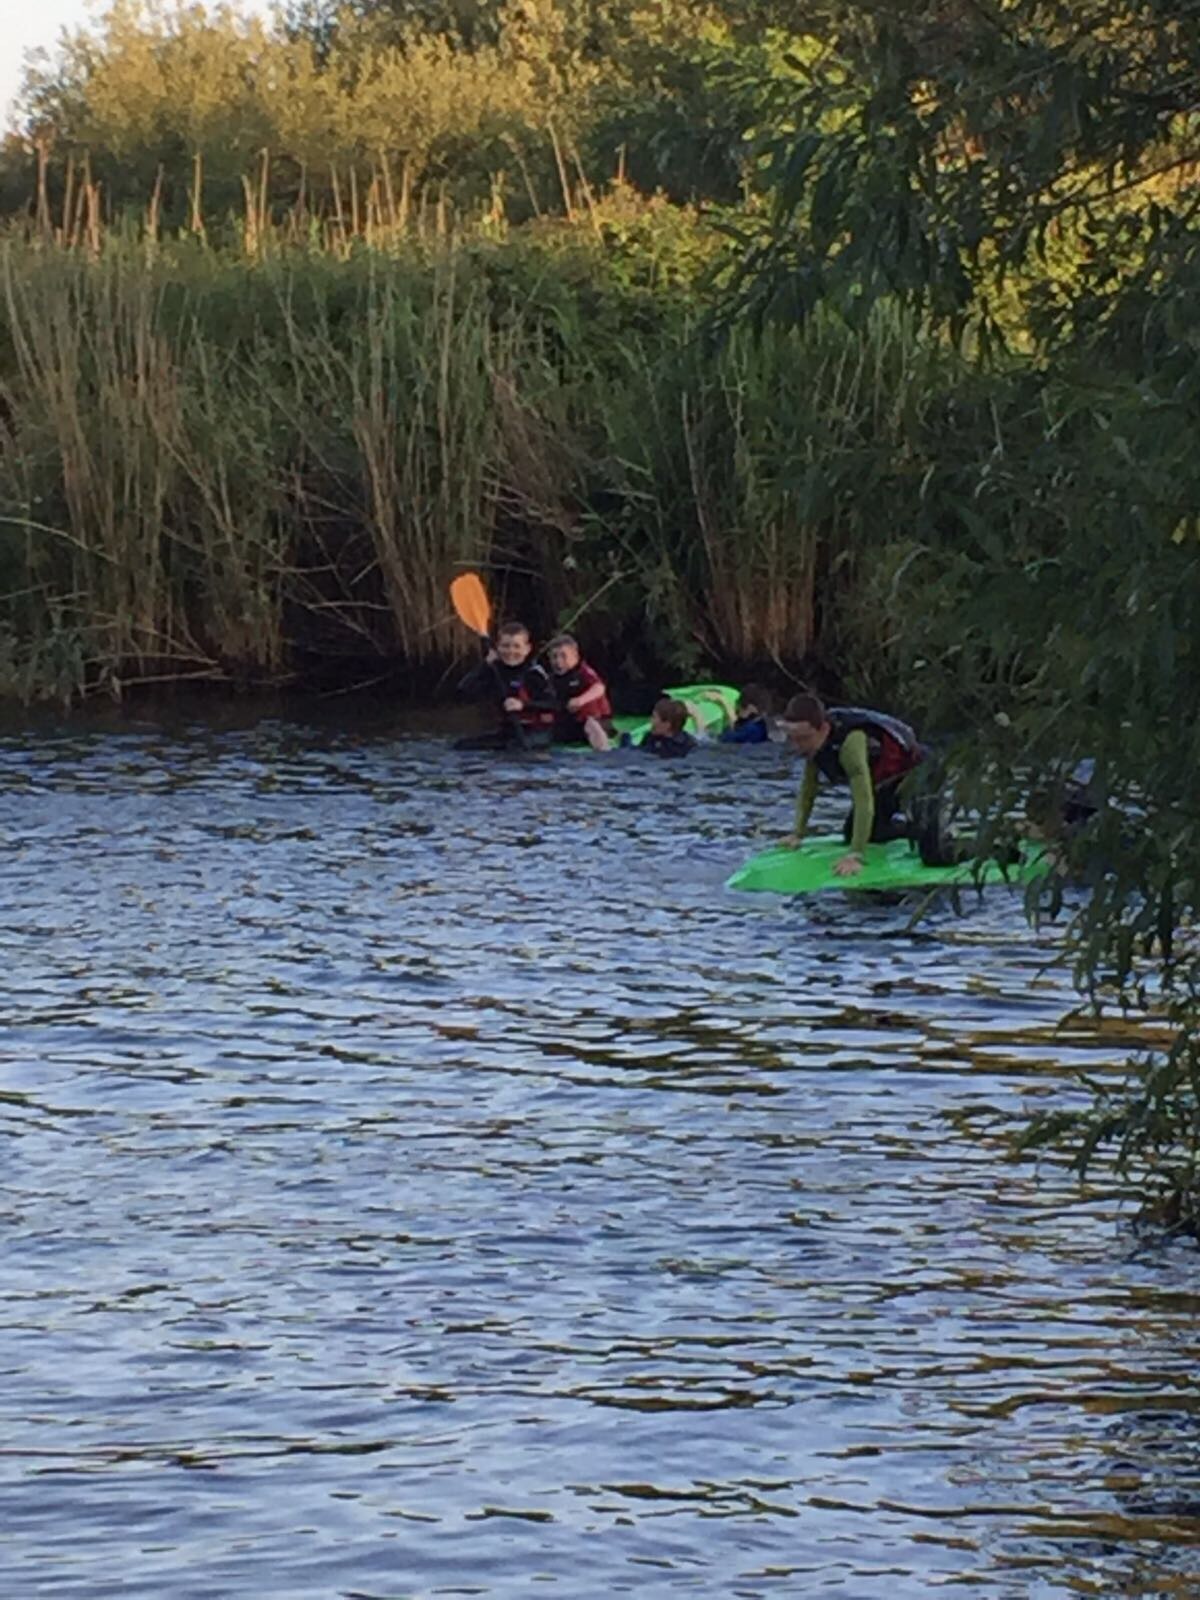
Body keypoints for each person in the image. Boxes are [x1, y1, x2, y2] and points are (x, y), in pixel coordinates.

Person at [780, 692, 952, 877]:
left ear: (823, 729)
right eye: (793, 738)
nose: (798, 745)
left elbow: (864, 800)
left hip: (923, 773)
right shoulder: (814, 747)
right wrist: (797, 833)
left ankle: (967, 848)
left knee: (933, 856)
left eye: (803, 738)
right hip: (890, 782)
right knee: (854, 833)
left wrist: (855, 855)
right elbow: (808, 790)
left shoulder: (850, 744)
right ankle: (916, 829)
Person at [455, 621, 557, 751]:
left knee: (513, 747)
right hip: (507, 731)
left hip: (536, 732)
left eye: (516, 646)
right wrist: (485, 664)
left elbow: (553, 704)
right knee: (461, 746)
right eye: (505, 646)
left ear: (527, 649)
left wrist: (523, 705)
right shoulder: (494, 671)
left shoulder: (534, 674)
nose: (511, 651)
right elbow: (463, 690)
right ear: (497, 647)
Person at [547, 633, 614, 752]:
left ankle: (603, 750)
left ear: (575, 655)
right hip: (571, 723)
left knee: (590, 724)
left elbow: (599, 688)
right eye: (554, 657)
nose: (558, 661)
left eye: (563, 656)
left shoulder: (584, 672)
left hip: (597, 720)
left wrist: (580, 700)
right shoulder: (551, 678)